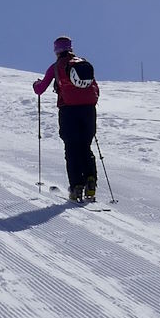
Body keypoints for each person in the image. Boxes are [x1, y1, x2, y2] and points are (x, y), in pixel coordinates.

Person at [32, 35, 100, 202]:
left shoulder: (56, 67)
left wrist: (36, 84)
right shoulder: (83, 63)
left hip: (69, 111)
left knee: (71, 149)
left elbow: (40, 90)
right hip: (89, 110)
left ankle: (76, 187)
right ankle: (91, 182)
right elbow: (95, 88)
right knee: (85, 147)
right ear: (70, 47)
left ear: (56, 50)